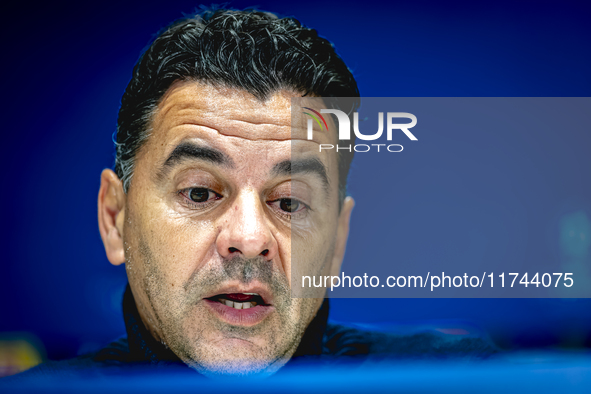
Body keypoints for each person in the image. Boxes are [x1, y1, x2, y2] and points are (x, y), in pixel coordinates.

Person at [5, 7, 496, 381]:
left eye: (288, 202)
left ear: (337, 242)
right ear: (115, 218)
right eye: (199, 192)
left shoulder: (465, 382)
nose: (248, 237)